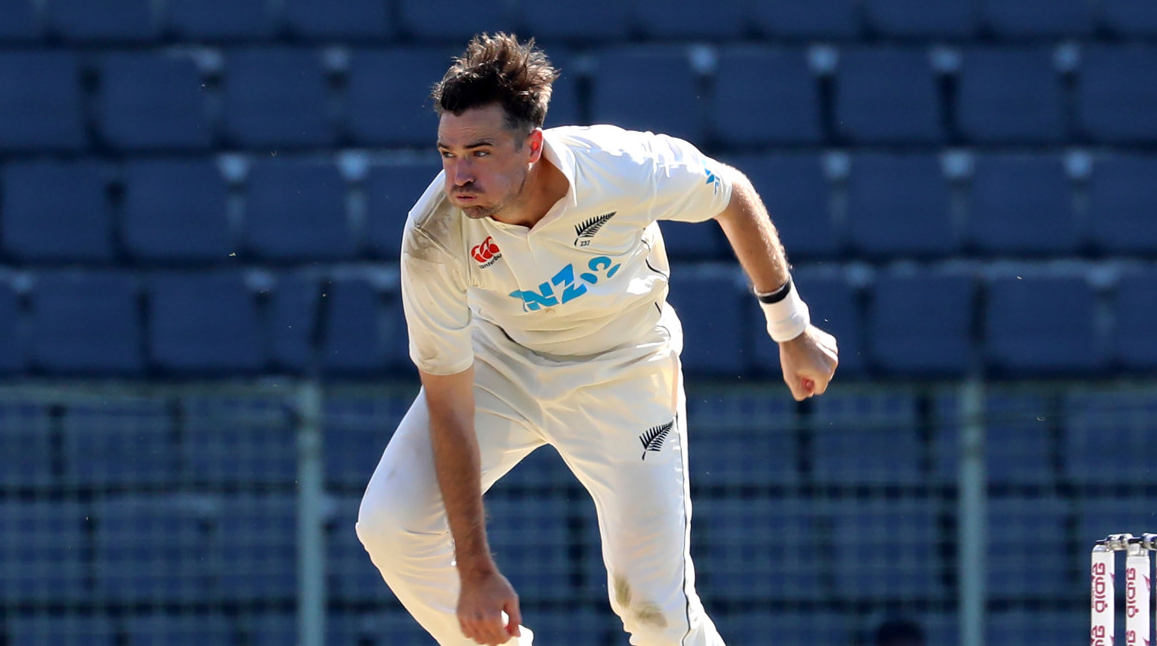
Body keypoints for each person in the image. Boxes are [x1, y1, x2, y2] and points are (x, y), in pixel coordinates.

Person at [355, 32, 839, 646]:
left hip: (625, 368)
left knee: (655, 609)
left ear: (531, 145)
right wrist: (476, 572)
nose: (459, 176)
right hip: (501, 363)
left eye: (479, 152)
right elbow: (450, 406)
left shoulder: (619, 167)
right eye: (447, 154)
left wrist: (790, 326)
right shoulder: (431, 237)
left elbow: (730, 193)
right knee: (389, 526)